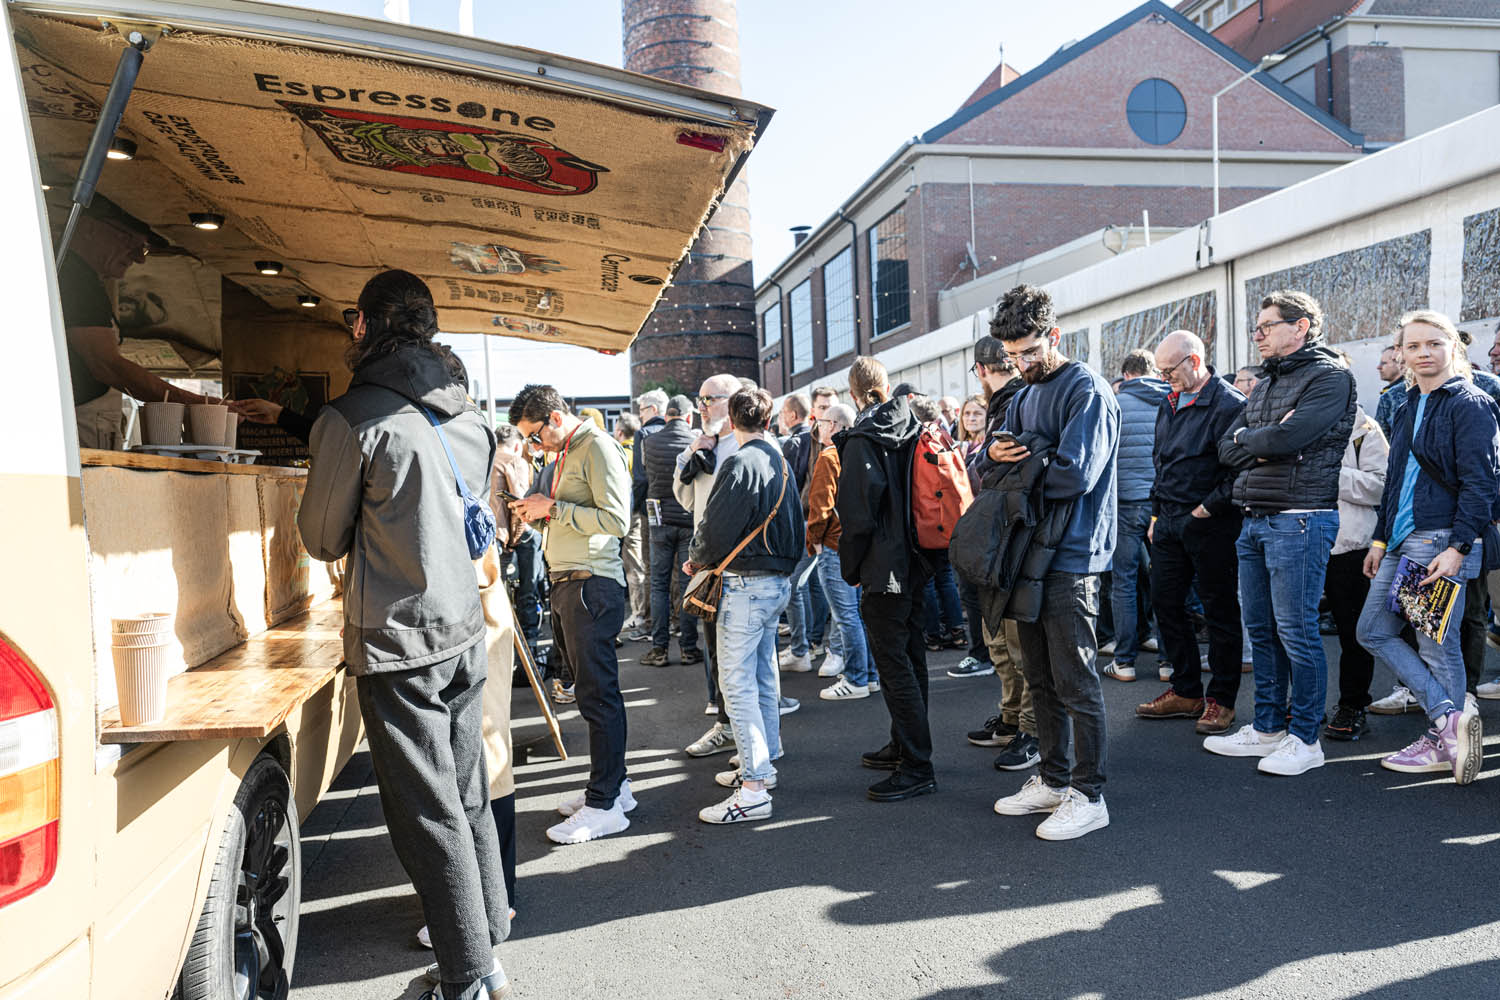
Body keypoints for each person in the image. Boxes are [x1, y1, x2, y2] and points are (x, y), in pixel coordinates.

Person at [297, 269, 510, 1000]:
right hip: (463, 627)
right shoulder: (466, 412)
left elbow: (321, 539)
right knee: (466, 792)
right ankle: (488, 941)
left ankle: (467, 977)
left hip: (398, 640)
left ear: (364, 325)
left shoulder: (351, 419)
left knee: (426, 813)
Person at [987, 285, 1119, 842]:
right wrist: (995, 452)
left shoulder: (1087, 389)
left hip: (1073, 553)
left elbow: (1074, 476)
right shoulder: (1022, 394)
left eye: (1029, 352)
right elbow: (991, 466)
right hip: (1028, 551)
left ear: (1054, 336)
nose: (1020, 363)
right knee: (1039, 677)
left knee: (1076, 680)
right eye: (1011, 355)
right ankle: (1053, 776)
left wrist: (1019, 463)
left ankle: (1089, 794)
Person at [1206, 290, 1355, 776]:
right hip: (1255, 518)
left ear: (1301, 326)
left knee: (1297, 631)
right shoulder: (1268, 381)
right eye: (1258, 326)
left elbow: (1288, 438)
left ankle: (1306, 739)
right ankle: (1268, 727)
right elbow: (1226, 448)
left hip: (1300, 519)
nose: (1258, 334)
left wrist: (1261, 439)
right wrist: (1261, 441)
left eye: (1267, 325)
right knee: (1262, 630)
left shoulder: (1330, 377)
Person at [1356, 310, 1496, 785]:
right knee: (1372, 630)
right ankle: (1449, 719)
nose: (1423, 353)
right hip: (1401, 540)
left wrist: (1459, 546)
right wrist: (1380, 539)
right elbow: (1395, 481)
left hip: (1438, 540)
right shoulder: (1406, 403)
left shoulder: (1470, 403)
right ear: (1402, 353)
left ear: (1453, 347)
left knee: (1436, 645)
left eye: (1434, 343)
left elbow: (1482, 483)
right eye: (1413, 346)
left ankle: (1443, 741)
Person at [508, 384, 634, 843]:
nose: (532, 446)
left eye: (534, 435)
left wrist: (553, 508)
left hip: (589, 583)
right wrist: (542, 514)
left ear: (556, 418)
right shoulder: (568, 450)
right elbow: (579, 514)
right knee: (591, 695)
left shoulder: (596, 446)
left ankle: (605, 803)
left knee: (598, 697)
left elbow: (617, 520)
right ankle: (613, 788)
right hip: (572, 582)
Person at [686, 388, 805, 823]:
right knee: (763, 675)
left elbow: (715, 526)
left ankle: (754, 785)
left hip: (746, 584)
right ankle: (765, 759)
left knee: (736, 684)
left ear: (732, 422)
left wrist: (697, 557)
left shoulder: (739, 461)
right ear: (768, 420)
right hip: (775, 581)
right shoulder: (780, 460)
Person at [1132, 331, 1247, 736]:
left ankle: (1222, 700)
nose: (1165, 379)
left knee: (1219, 612)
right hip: (1167, 520)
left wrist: (1205, 508)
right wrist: (1155, 514)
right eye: (1161, 372)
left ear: (1194, 361)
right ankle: (1186, 691)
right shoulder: (1169, 401)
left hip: (1211, 523)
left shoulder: (1230, 404)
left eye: (1169, 371)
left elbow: (1239, 472)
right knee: (1165, 603)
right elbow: (1160, 461)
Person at [838, 357, 938, 802]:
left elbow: (857, 515)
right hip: (918, 556)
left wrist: (852, 568)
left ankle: (917, 764)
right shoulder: (912, 425)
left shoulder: (864, 437)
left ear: (854, 394)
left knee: (894, 664)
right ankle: (906, 745)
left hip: (883, 564)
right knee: (911, 657)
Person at [61, 206, 214, 448]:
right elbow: (107, 365)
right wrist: (197, 403)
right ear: (88, 227)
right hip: (76, 430)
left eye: (142, 247)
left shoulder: (85, 279)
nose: (139, 257)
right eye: (129, 240)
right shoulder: (75, 279)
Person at [961, 336, 1039, 772]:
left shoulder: (1016, 399)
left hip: (1013, 531)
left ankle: (1029, 729)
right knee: (1000, 638)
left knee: (1014, 641)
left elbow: (1004, 469)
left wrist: (985, 459)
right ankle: (1012, 719)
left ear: (980, 370)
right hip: (1004, 529)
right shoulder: (1012, 399)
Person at [677, 374, 748, 755]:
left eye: (710, 399)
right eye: (700, 399)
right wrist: (692, 453)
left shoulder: (746, 446)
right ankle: (727, 725)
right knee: (717, 650)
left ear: (733, 401)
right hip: (708, 565)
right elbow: (687, 499)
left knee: (743, 659)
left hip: (740, 566)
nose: (702, 407)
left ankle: (750, 739)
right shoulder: (705, 444)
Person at [1321, 361, 1388, 742]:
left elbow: (1382, 486)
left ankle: (1352, 705)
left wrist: (1330, 474)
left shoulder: (1365, 428)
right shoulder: (1294, 423)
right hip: (1298, 540)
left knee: (1354, 632)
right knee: (1295, 633)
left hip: (1350, 545)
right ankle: (1303, 701)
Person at [1102, 349, 1167, 683]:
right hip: (1163, 504)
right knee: (1166, 581)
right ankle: (1169, 663)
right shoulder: (1171, 401)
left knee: (1124, 582)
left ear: (1126, 375)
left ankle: (1125, 661)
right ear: (1154, 371)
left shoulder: (1115, 404)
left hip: (1125, 504)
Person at [805, 402, 878, 700]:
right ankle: (869, 675)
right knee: (857, 615)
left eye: (822, 422)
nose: (819, 428)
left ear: (833, 426)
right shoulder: (861, 451)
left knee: (846, 615)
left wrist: (815, 541)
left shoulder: (829, 455)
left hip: (834, 544)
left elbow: (820, 504)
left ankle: (856, 678)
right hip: (859, 543)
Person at [639, 395, 704, 670]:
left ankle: (659, 649)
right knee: (688, 582)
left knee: (659, 584)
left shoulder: (648, 441)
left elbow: (642, 478)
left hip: (659, 519)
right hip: (688, 518)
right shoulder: (695, 441)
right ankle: (688, 648)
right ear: (688, 417)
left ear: (666, 416)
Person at [911, 395, 968, 652]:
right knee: (945, 576)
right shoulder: (943, 437)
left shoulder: (918, 441)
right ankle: (957, 631)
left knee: (927, 581)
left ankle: (933, 635)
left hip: (925, 520)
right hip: (948, 519)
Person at [490, 423, 544, 666]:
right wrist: (515, 539)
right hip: (516, 538)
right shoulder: (514, 461)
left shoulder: (485, 459)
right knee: (527, 593)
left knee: (496, 597)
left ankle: (500, 657)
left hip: (491, 537)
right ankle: (528, 657)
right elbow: (521, 506)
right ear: (516, 445)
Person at [777, 392, 822, 673]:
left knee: (794, 586)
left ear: (793, 415)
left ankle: (801, 648)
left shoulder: (795, 442)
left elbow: (788, 486)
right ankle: (810, 642)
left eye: (783, 412)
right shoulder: (814, 440)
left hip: (805, 522)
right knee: (811, 585)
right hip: (815, 521)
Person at [624, 390, 668, 637]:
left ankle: (651, 622)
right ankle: (675, 621)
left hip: (650, 508)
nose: (639, 415)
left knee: (652, 568)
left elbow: (640, 478)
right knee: (675, 570)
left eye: (641, 410)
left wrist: (635, 507)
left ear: (653, 409)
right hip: (677, 509)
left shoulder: (644, 434)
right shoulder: (675, 431)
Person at [1373, 341, 1407, 441]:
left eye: (1384, 363)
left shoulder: (1404, 393)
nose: (1378, 367)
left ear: (1399, 363)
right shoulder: (1389, 395)